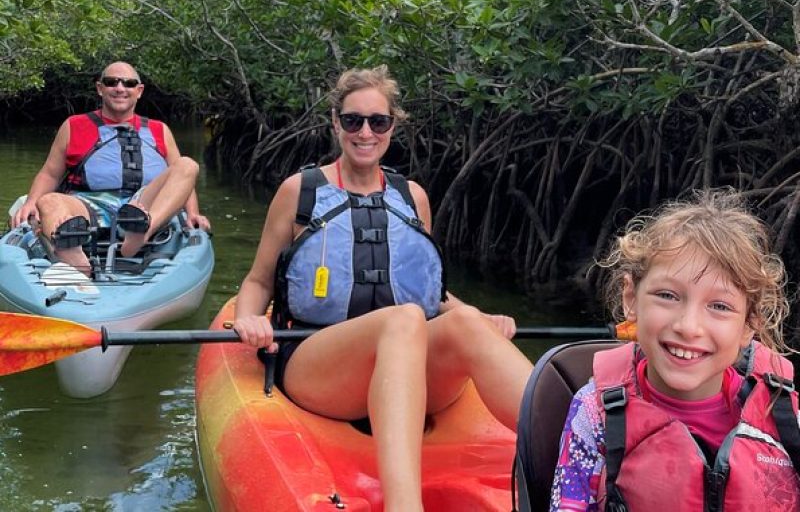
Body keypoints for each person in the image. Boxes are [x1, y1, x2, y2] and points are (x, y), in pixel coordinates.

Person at [233, 65, 533, 512]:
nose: (365, 132)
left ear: (393, 125)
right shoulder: (299, 192)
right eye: (353, 120)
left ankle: (590, 454)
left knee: (464, 322)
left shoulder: (412, 197)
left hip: (405, 359)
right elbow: (259, 280)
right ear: (336, 123)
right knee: (404, 319)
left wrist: (480, 319)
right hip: (319, 362)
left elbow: (429, 290)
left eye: (378, 121)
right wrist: (247, 317)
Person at [549, 189, 800, 511]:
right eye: (667, 295)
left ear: (749, 325)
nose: (688, 326)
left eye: (720, 306)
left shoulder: (786, 416)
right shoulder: (595, 413)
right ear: (631, 298)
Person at [10, 61, 211, 272]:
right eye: (111, 82)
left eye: (129, 83)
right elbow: (50, 174)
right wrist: (31, 202)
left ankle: (141, 234)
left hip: (143, 204)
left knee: (188, 164)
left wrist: (192, 214)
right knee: (48, 201)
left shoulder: (160, 130)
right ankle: (77, 266)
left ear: (139, 91)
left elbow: (182, 179)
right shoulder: (73, 125)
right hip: (89, 203)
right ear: (100, 88)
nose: (120, 88)